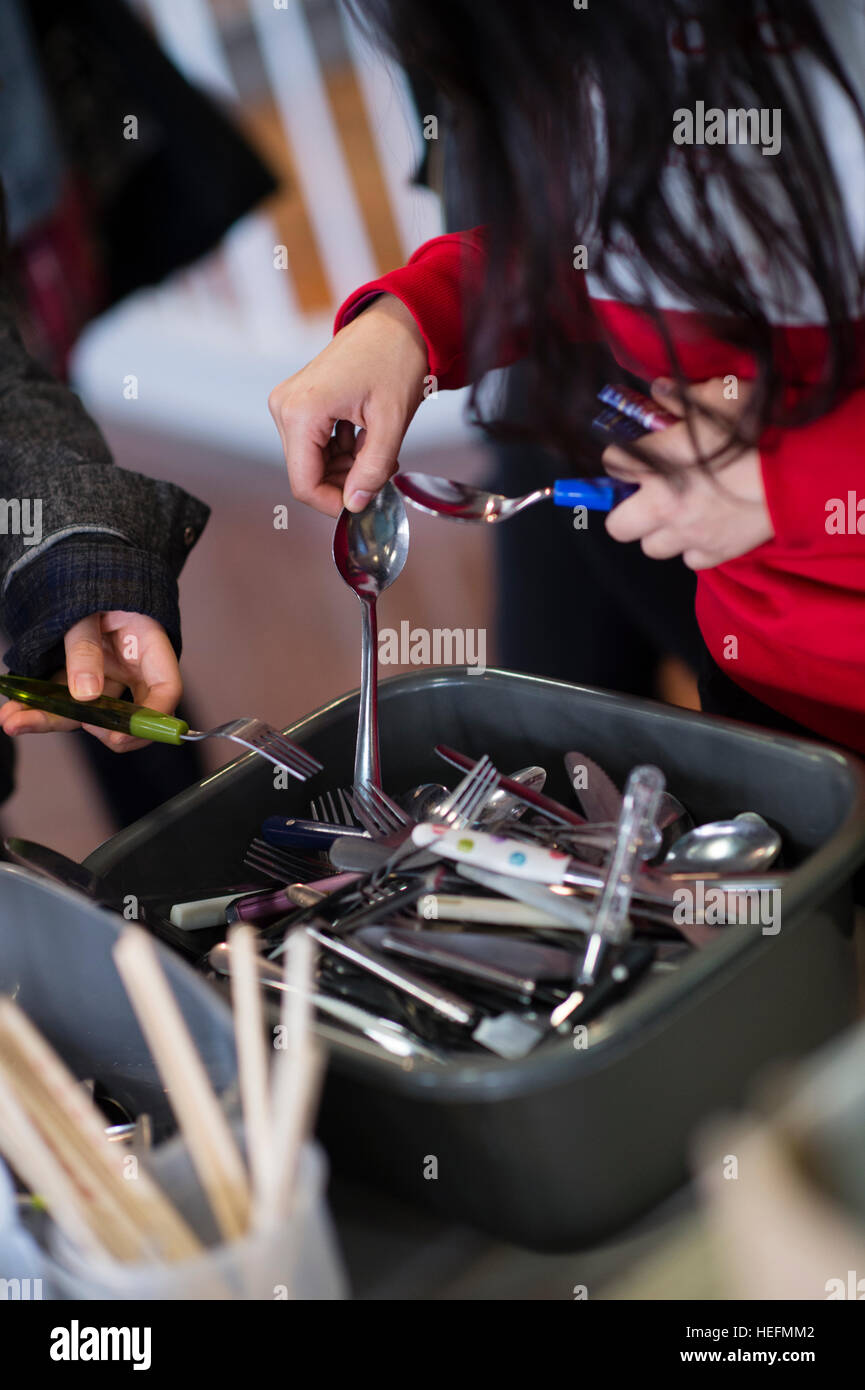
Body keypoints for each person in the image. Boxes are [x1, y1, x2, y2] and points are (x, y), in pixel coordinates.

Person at [268, 0, 865, 754]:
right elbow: (598, 248)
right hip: (762, 683)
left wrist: (793, 485)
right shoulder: (596, 50)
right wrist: (413, 320)